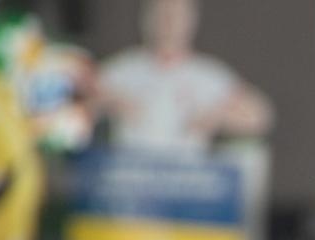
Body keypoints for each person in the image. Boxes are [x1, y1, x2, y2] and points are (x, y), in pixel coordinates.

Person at [94, 0, 272, 157]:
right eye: (162, 14)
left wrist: (216, 116)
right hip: (132, 171)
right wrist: (110, 100)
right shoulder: (122, 69)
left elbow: (259, 117)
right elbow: (84, 102)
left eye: (176, 15)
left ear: (190, 20)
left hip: (188, 173)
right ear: (147, 18)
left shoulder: (209, 75)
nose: (168, 23)